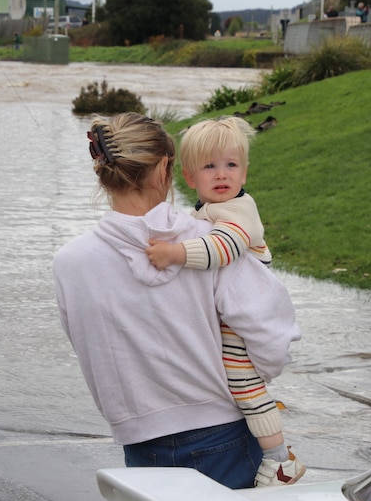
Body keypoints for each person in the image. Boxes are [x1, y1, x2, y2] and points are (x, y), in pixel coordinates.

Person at [53, 112, 301, 490]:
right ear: (166, 169)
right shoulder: (215, 243)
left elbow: (90, 349)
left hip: (138, 440)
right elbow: (272, 335)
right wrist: (249, 380)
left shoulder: (70, 262)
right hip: (224, 434)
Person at [145, 117, 306, 487]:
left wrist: (174, 253)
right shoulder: (206, 212)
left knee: (243, 382)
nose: (222, 174)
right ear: (189, 178)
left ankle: (280, 461)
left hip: (244, 314)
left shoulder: (238, 212)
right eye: (210, 166)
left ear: (245, 173)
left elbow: (224, 247)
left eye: (231, 165)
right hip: (231, 310)